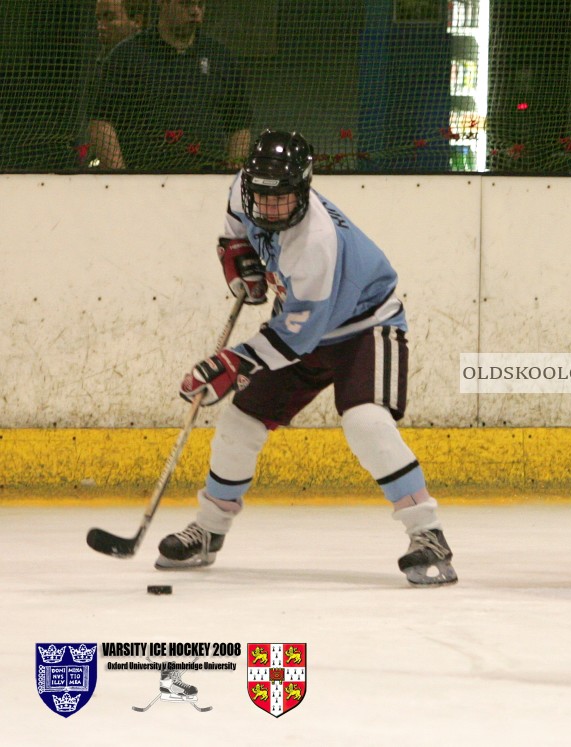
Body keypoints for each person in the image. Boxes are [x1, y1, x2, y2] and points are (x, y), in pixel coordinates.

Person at [155, 129, 457, 587]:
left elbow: (296, 337)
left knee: (366, 422)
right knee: (239, 422)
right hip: (299, 326)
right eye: (262, 197)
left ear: (304, 188)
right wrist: (240, 259)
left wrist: (233, 363)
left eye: (282, 199)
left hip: (365, 327)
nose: (270, 209)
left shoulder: (315, 243)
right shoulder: (244, 187)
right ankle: (209, 532)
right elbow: (235, 229)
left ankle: (427, 535)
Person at [88, 0, 251, 170]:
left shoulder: (221, 58)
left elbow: (240, 124)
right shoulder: (126, 56)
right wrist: (122, 179)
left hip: (208, 182)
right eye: (186, 4)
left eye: (200, 5)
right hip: (145, 180)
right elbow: (101, 122)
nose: (195, 11)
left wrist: (234, 170)